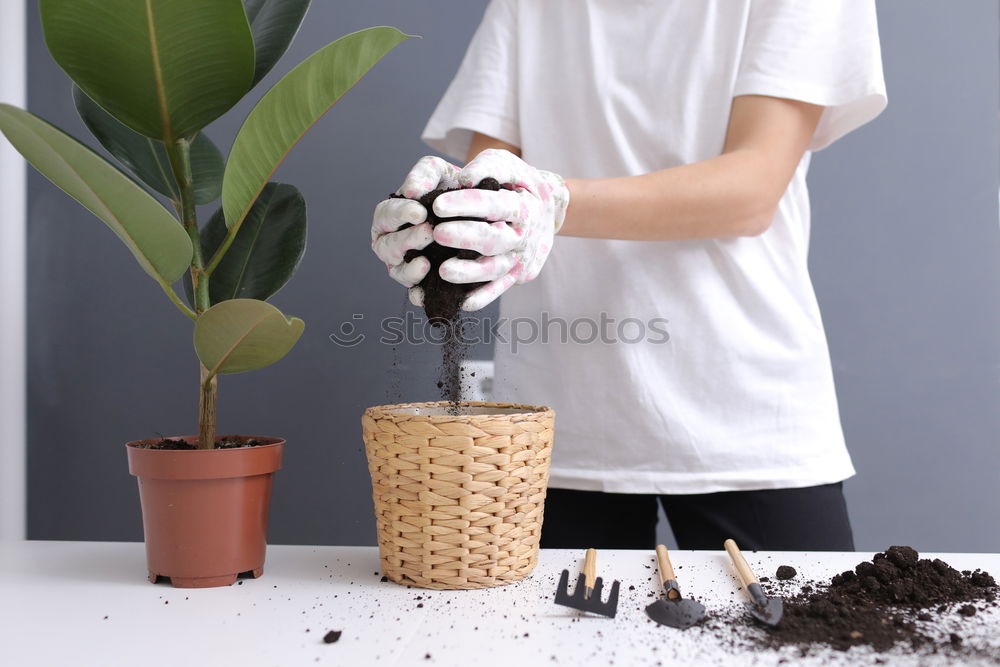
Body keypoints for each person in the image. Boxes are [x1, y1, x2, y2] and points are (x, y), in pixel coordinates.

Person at [371, 0, 887, 551]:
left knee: (799, 632)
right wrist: (439, 222)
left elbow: (752, 190)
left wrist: (554, 201)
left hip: (743, 419)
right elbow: (493, 180)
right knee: (542, 636)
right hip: (554, 425)